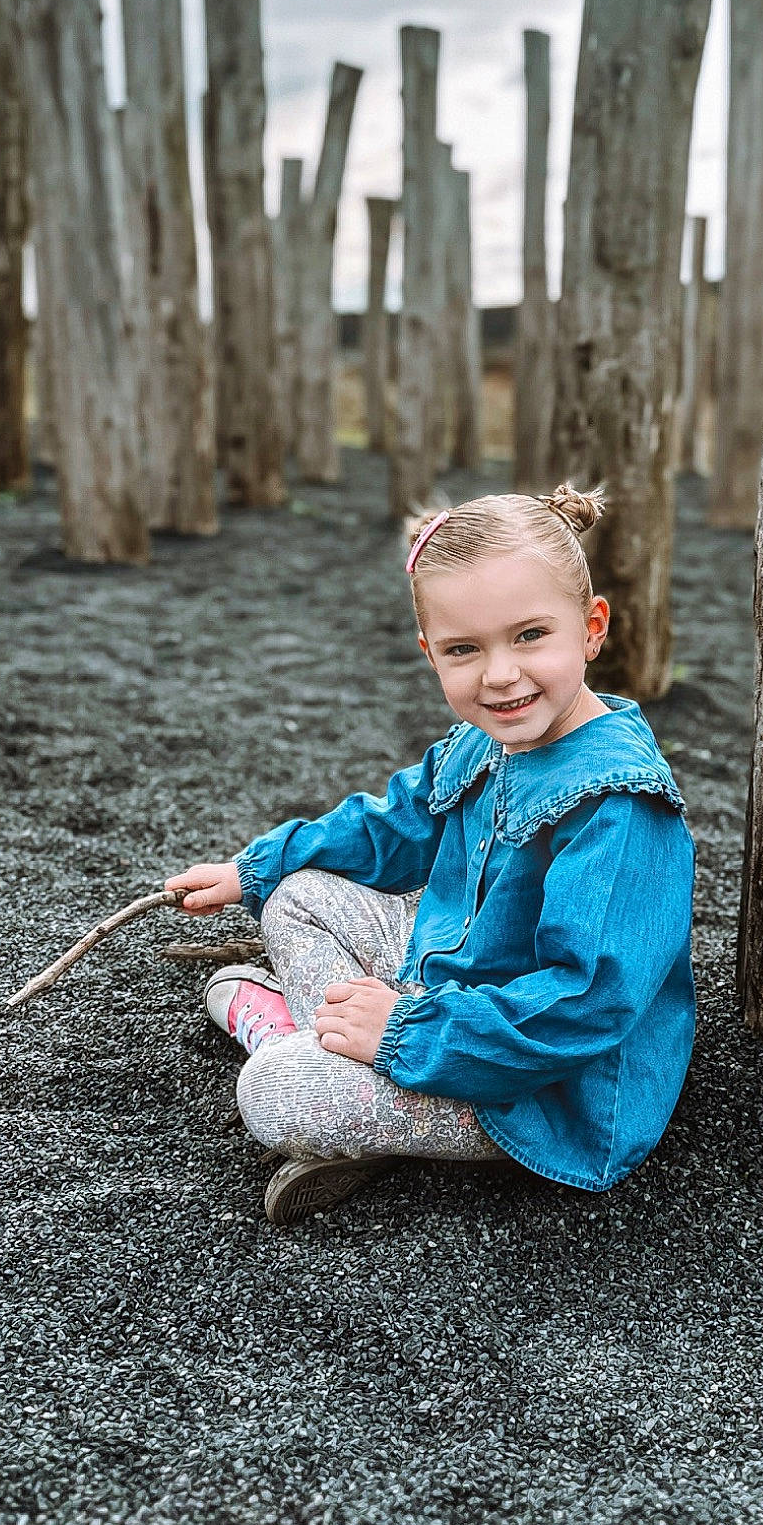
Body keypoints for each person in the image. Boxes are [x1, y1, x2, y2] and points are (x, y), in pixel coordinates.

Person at [167, 486, 696, 1226]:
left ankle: (309, 1044)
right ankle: (338, 1038)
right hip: (445, 984)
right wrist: (252, 870)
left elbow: (585, 1005)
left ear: (592, 627)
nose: (500, 675)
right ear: (431, 653)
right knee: (297, 893)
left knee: (270, 1093)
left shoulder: (618, 806)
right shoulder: (489, 737)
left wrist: (408, 1033)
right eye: (463, 650)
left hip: (537, 1090)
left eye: (530, 635)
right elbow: (392, 827)